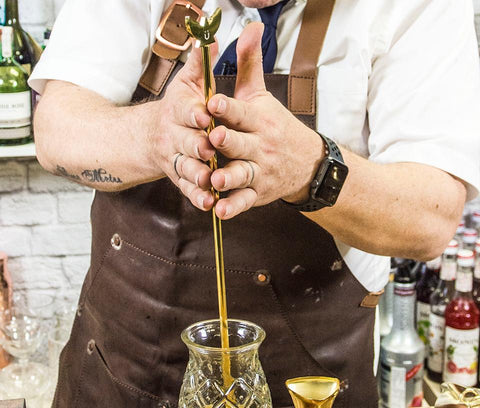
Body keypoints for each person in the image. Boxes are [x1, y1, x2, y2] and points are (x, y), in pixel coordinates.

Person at [30, 0, 480, 406]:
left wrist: (310, 170)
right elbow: (55, 131)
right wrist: (152, 136)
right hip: (112, 377)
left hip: (307, 386)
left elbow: (431, 217)